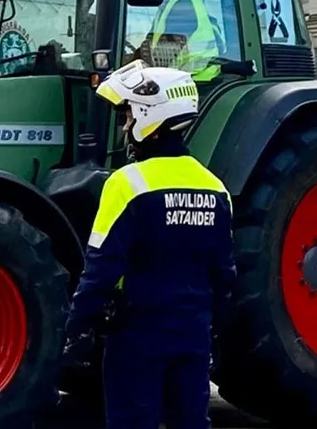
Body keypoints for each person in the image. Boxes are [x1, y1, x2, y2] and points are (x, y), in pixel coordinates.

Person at [62, 60, 236, 429]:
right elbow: (224, 276)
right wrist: (212, 332)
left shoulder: (127, 184)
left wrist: (76, 330)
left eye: (128, 117)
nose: (126, 128)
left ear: (148, 117)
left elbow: (101, 271)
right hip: (192, 336)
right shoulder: (215, 188)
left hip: (137, 337)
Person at [148, 0, 223, 83]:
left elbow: (163, 56)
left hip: (197, 80)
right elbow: (151, 44)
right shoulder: (168, 6)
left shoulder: (183, 6)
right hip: (181, 78)